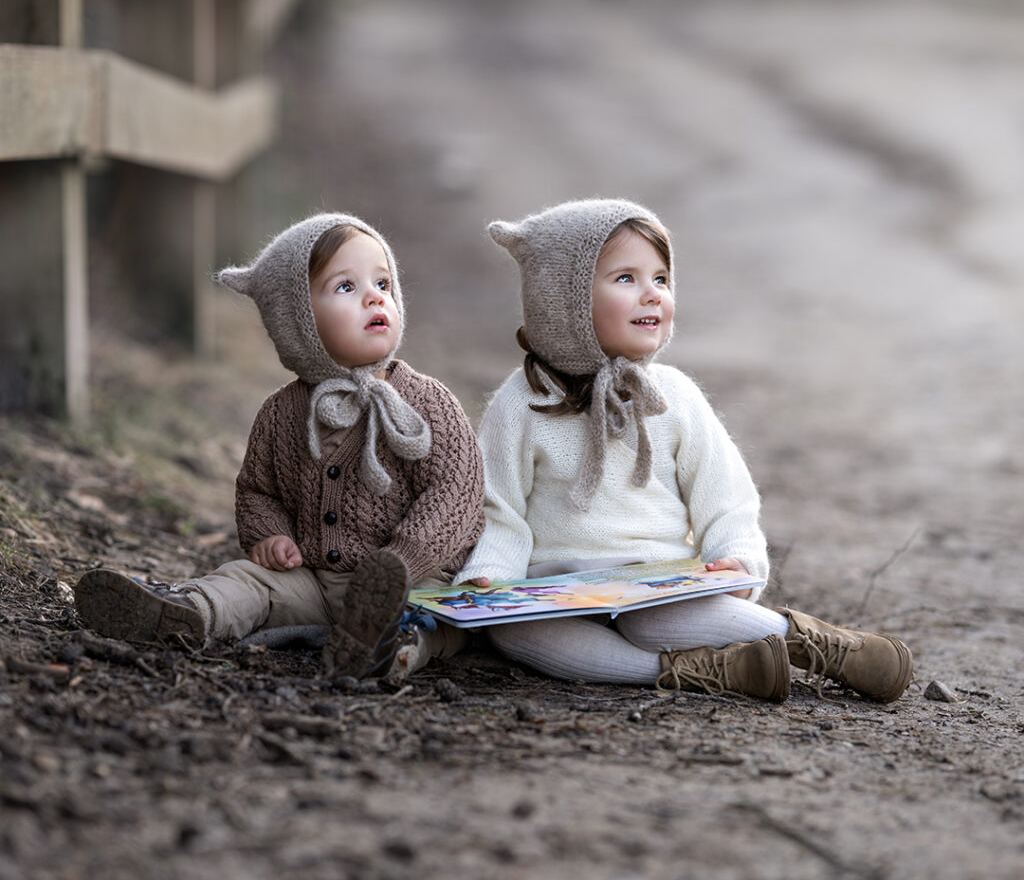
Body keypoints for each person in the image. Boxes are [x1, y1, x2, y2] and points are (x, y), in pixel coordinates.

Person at [453, 198, 913, 704]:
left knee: (658, 621)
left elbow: (725, 496)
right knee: (514, 634)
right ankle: (701, 671)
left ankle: (817, 644)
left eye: (661, 279)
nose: (652, 294)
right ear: (562, 300)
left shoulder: (674, 395)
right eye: (626, 278)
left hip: (657, 583)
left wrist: (735, 557)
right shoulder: (521, 404)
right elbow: (501, 510)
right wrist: (491, 576)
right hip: (558, 592)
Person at [76, 212, 485, 681]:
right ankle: (188, 612)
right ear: (297, 322)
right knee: (248, 582)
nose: (375, 295)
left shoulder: (428, 402)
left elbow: (458, 491)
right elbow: (257, 490)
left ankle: (392, 647)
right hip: (311, 581)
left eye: (383, 283)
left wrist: (404, 558)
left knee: (442, 615)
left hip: (411, 576)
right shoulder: (280, 414)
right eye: (346, 288)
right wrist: (268, 536)